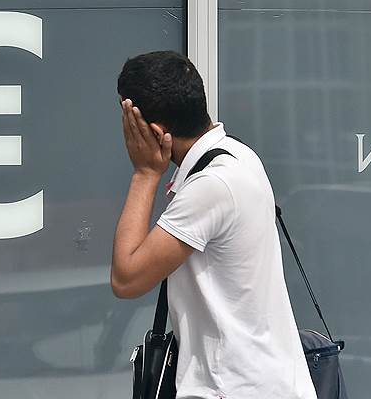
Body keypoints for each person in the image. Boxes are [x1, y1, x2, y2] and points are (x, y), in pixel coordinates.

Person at [110, 51, 315, 398]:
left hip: (233, 388)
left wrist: (144, 174)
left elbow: (126, 279)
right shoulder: (238, 156)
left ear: (154, 130)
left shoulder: (212, 185)